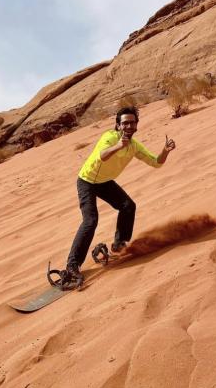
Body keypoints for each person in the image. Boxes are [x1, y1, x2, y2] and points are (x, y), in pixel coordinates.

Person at [66, 105, 176, 285]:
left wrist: (165, 150)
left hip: (104, 182)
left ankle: (119, 244)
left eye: (132, 123)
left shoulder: (134, 146)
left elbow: (156, 163)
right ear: (118, 126)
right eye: (125, 123)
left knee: (128, 206)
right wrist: (118, 145)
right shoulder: (109, 137)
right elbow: (102, 156)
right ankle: (72, 265)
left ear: (136, 125)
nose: (129, 126)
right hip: (87, 181)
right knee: (90, 220)